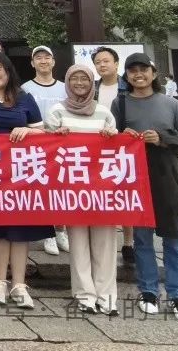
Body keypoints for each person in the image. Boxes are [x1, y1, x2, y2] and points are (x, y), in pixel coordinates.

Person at [112, 52, 178, 322]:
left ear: (154, 74)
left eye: (143, 69)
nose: (138, 74)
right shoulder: (120, 104)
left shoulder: (173, 105)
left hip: (169, 178)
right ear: (127, 76)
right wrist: (121, 137)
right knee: (142, 240)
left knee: (175, 240)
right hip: (136, 178)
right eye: (132, 70)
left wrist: (163, 138)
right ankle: (148, 291)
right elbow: (108, 138)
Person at [0, 51, 52, 309]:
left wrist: (27, 130)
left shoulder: (25, 97)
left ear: (7, 70)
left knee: (20, 228)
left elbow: (42, 132)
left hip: (22, 174)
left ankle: (19, 284)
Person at [44, 64, 119, 315]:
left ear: (91, 83)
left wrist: (113, 135)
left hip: (102, 189)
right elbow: (47, 148)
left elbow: (118, 146)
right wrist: (56, 136)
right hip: (72, 188)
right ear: (67, 82)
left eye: (84, 79)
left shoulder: (104, 112)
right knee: (78, 242)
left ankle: (107, 295)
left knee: (105, 242)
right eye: (74, 78)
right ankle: (84, 294)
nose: (79, 83)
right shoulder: (56, 111)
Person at [21, 45, 69, 256]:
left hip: (61, 143)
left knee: (61, 188)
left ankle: (61, 230)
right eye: (38, 58)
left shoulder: (65, 88)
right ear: (32, 63)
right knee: (42, 188)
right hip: (37, 144)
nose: (43, 61)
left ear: (53, 61)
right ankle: (48, 233)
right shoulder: (25, 88)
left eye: (47, 57)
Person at [92, 46, 134, 264]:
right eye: (98, 62)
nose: (102, 65)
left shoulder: (128, 87)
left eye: (106, 61)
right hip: (96, 147)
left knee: (124, 192)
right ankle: (103, 241)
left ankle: (128, 241)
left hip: (123, 145)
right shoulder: (93, 88)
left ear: (116, 63)